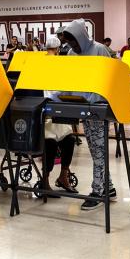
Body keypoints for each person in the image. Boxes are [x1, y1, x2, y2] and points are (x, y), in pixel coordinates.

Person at [63, 19, 117, 211]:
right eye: (70, 43)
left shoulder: (100, 50)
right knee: (96, 150)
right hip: (81, 106)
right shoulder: (70, 53)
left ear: (82, 37)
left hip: (99, 108)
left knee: (98, 150)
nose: (73, 46)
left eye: (75, 42)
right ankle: (109, 187)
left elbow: (112, 78)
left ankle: (97, 191)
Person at [44, 37, 77, 194]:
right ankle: (44, 179)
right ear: (58, 49)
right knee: (50, 143)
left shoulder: (60, 65)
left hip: (57, 112)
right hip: (44, 115)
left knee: (69, 139)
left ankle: (63, 176)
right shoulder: (41, 65)